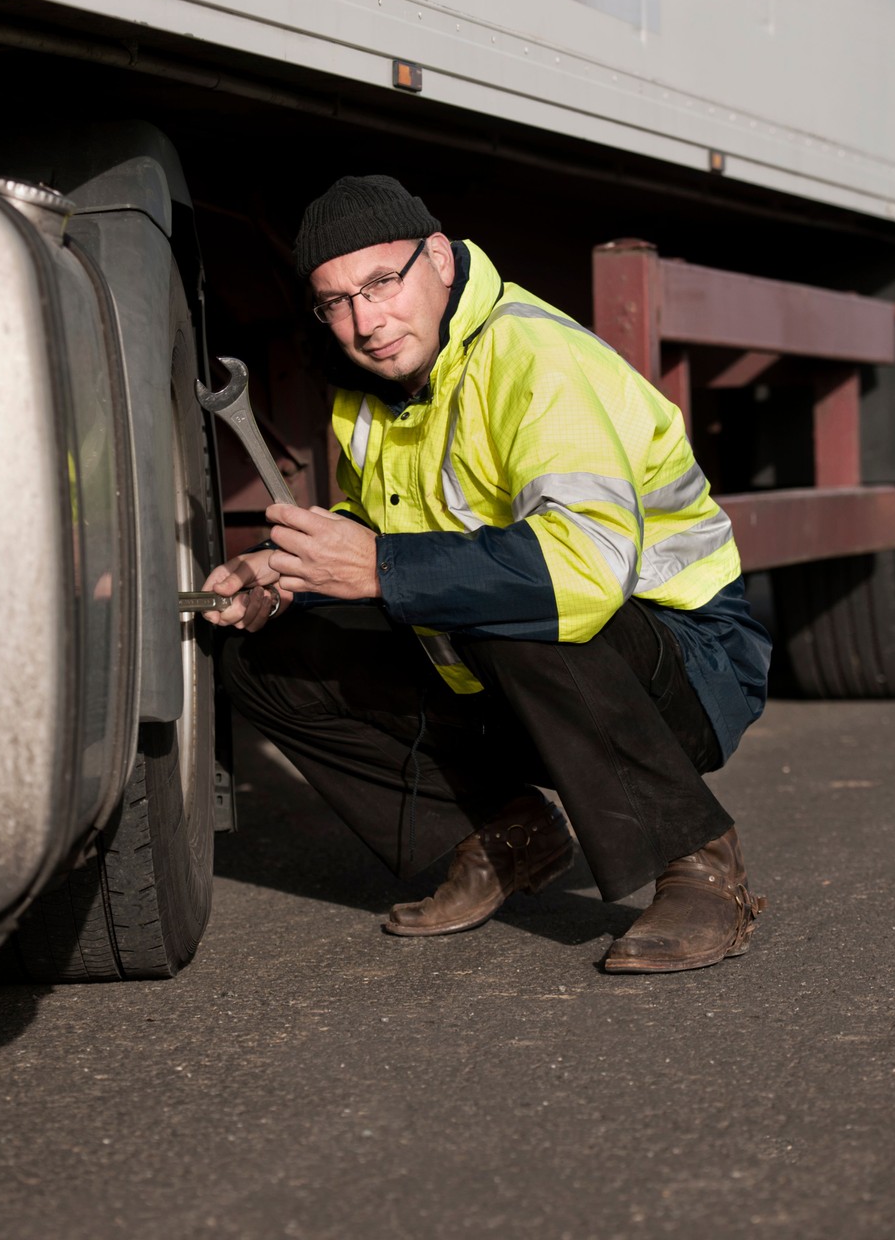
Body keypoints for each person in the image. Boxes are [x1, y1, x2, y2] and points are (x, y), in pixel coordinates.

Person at [203, 175, 771, 974]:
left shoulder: (537, 357)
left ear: (437, 257)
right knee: (264, 657)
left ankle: (701, 863)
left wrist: (379, 565)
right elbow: (396, 535)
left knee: (511, 607)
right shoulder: (370, 395)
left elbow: (584, 571)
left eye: (380, 284)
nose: (365, 323)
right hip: (511, 659)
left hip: (685, 664)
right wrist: (293, 570)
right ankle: (509, 836)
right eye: (335, 303)